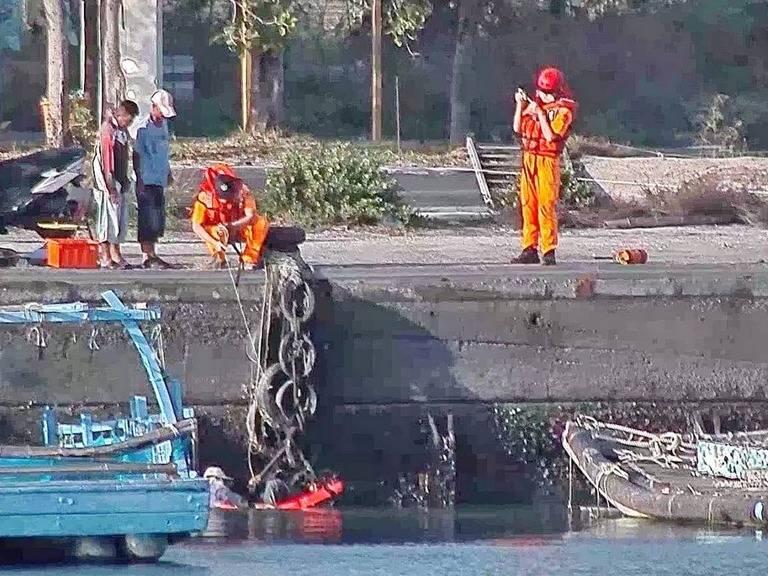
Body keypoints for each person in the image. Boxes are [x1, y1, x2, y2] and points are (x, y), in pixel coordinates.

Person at [511, 67, 578, 266]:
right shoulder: (534, 107)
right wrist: (521, 105)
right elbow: (517, 128)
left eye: (548, 93)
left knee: (546, 205)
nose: (543, 95)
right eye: (541, 91)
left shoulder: (563, 112)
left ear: (558, 92)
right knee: (527, 204)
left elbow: (551, 137)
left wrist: (540, 114)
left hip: (548, 161)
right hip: (529, 159)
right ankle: (529, 247)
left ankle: (548, 250)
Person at [190, 163, 270, 270]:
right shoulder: (204, 197)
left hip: (239, 228)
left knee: (261, 223)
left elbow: (250, 216)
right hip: (217, 232)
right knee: (216, 230)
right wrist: (215, 242)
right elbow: (196, 226)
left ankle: (249, 259)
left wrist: (232, 226)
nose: (227, 200)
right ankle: (218, 258)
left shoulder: (244, 193)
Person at [132, 89, 178, 269]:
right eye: (161, 111)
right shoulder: (143, 129)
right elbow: (137, 155)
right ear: (153, 107)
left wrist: (168, 172)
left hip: (159, 178)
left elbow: (164, 153)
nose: (163, 116)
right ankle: (146, 254)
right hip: (146, 179)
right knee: (146, 217)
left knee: (158, 218)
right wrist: (139, 179)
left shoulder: (164, 126)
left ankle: (153, 253)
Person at [92, 100, 139, 269]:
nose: (130, 123)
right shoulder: (108, 131)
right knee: (107, 220)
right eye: (130, 119)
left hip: (119, 179)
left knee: (118, 220)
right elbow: (107, 161)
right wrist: (110, 186)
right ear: (123, 115)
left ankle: (116, 253)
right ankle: (105, 256)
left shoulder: (122, 131)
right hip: (107, 182)